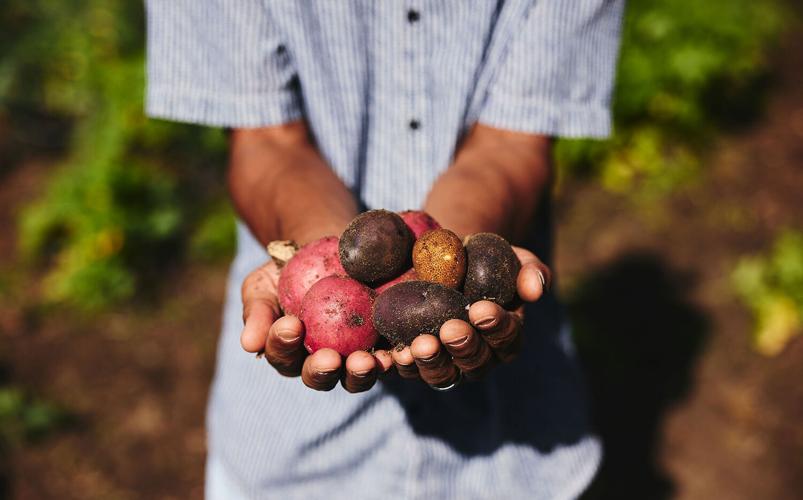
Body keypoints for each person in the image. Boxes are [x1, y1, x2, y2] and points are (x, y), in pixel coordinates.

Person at [145, 1, 624, 498]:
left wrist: (455, 242)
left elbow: (512, 141)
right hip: (295, 460)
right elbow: (266, 141)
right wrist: (322, 253)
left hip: (514, 453)